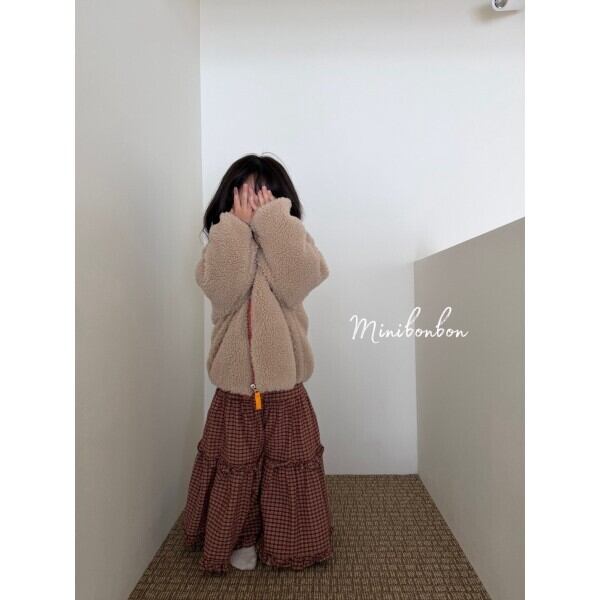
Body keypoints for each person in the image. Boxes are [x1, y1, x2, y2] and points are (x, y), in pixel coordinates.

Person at [183, 154, 334, 572]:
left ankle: (289, 541)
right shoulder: (222, 245)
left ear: (281, 201)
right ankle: (241, 536)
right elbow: (224, 290)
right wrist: (234, 228)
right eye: (245, 194)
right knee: (238, 468)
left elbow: (300, 280)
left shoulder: (293, 242)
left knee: (288, 467)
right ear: (229, 199)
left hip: (286, 389)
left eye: (264, 195)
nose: (254, 202)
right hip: (235, 391)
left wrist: (274, 224)